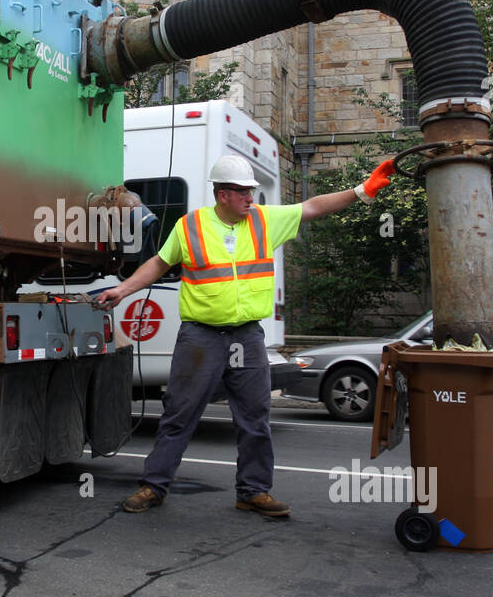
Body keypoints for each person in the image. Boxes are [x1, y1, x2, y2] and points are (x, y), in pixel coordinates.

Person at [93, 153, 396, 517]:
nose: (251, 199)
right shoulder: (191, 226)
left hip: (247, 337)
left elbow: (313, 207)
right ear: (223, 195)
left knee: (255, 416)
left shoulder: (265, 221)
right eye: (243, 193)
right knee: (179, 414)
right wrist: (123, 290)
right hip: (200, 336)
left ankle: (253, 491)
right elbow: (159, 263)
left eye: (251, 192)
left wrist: (363, 191)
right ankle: (153, 486)